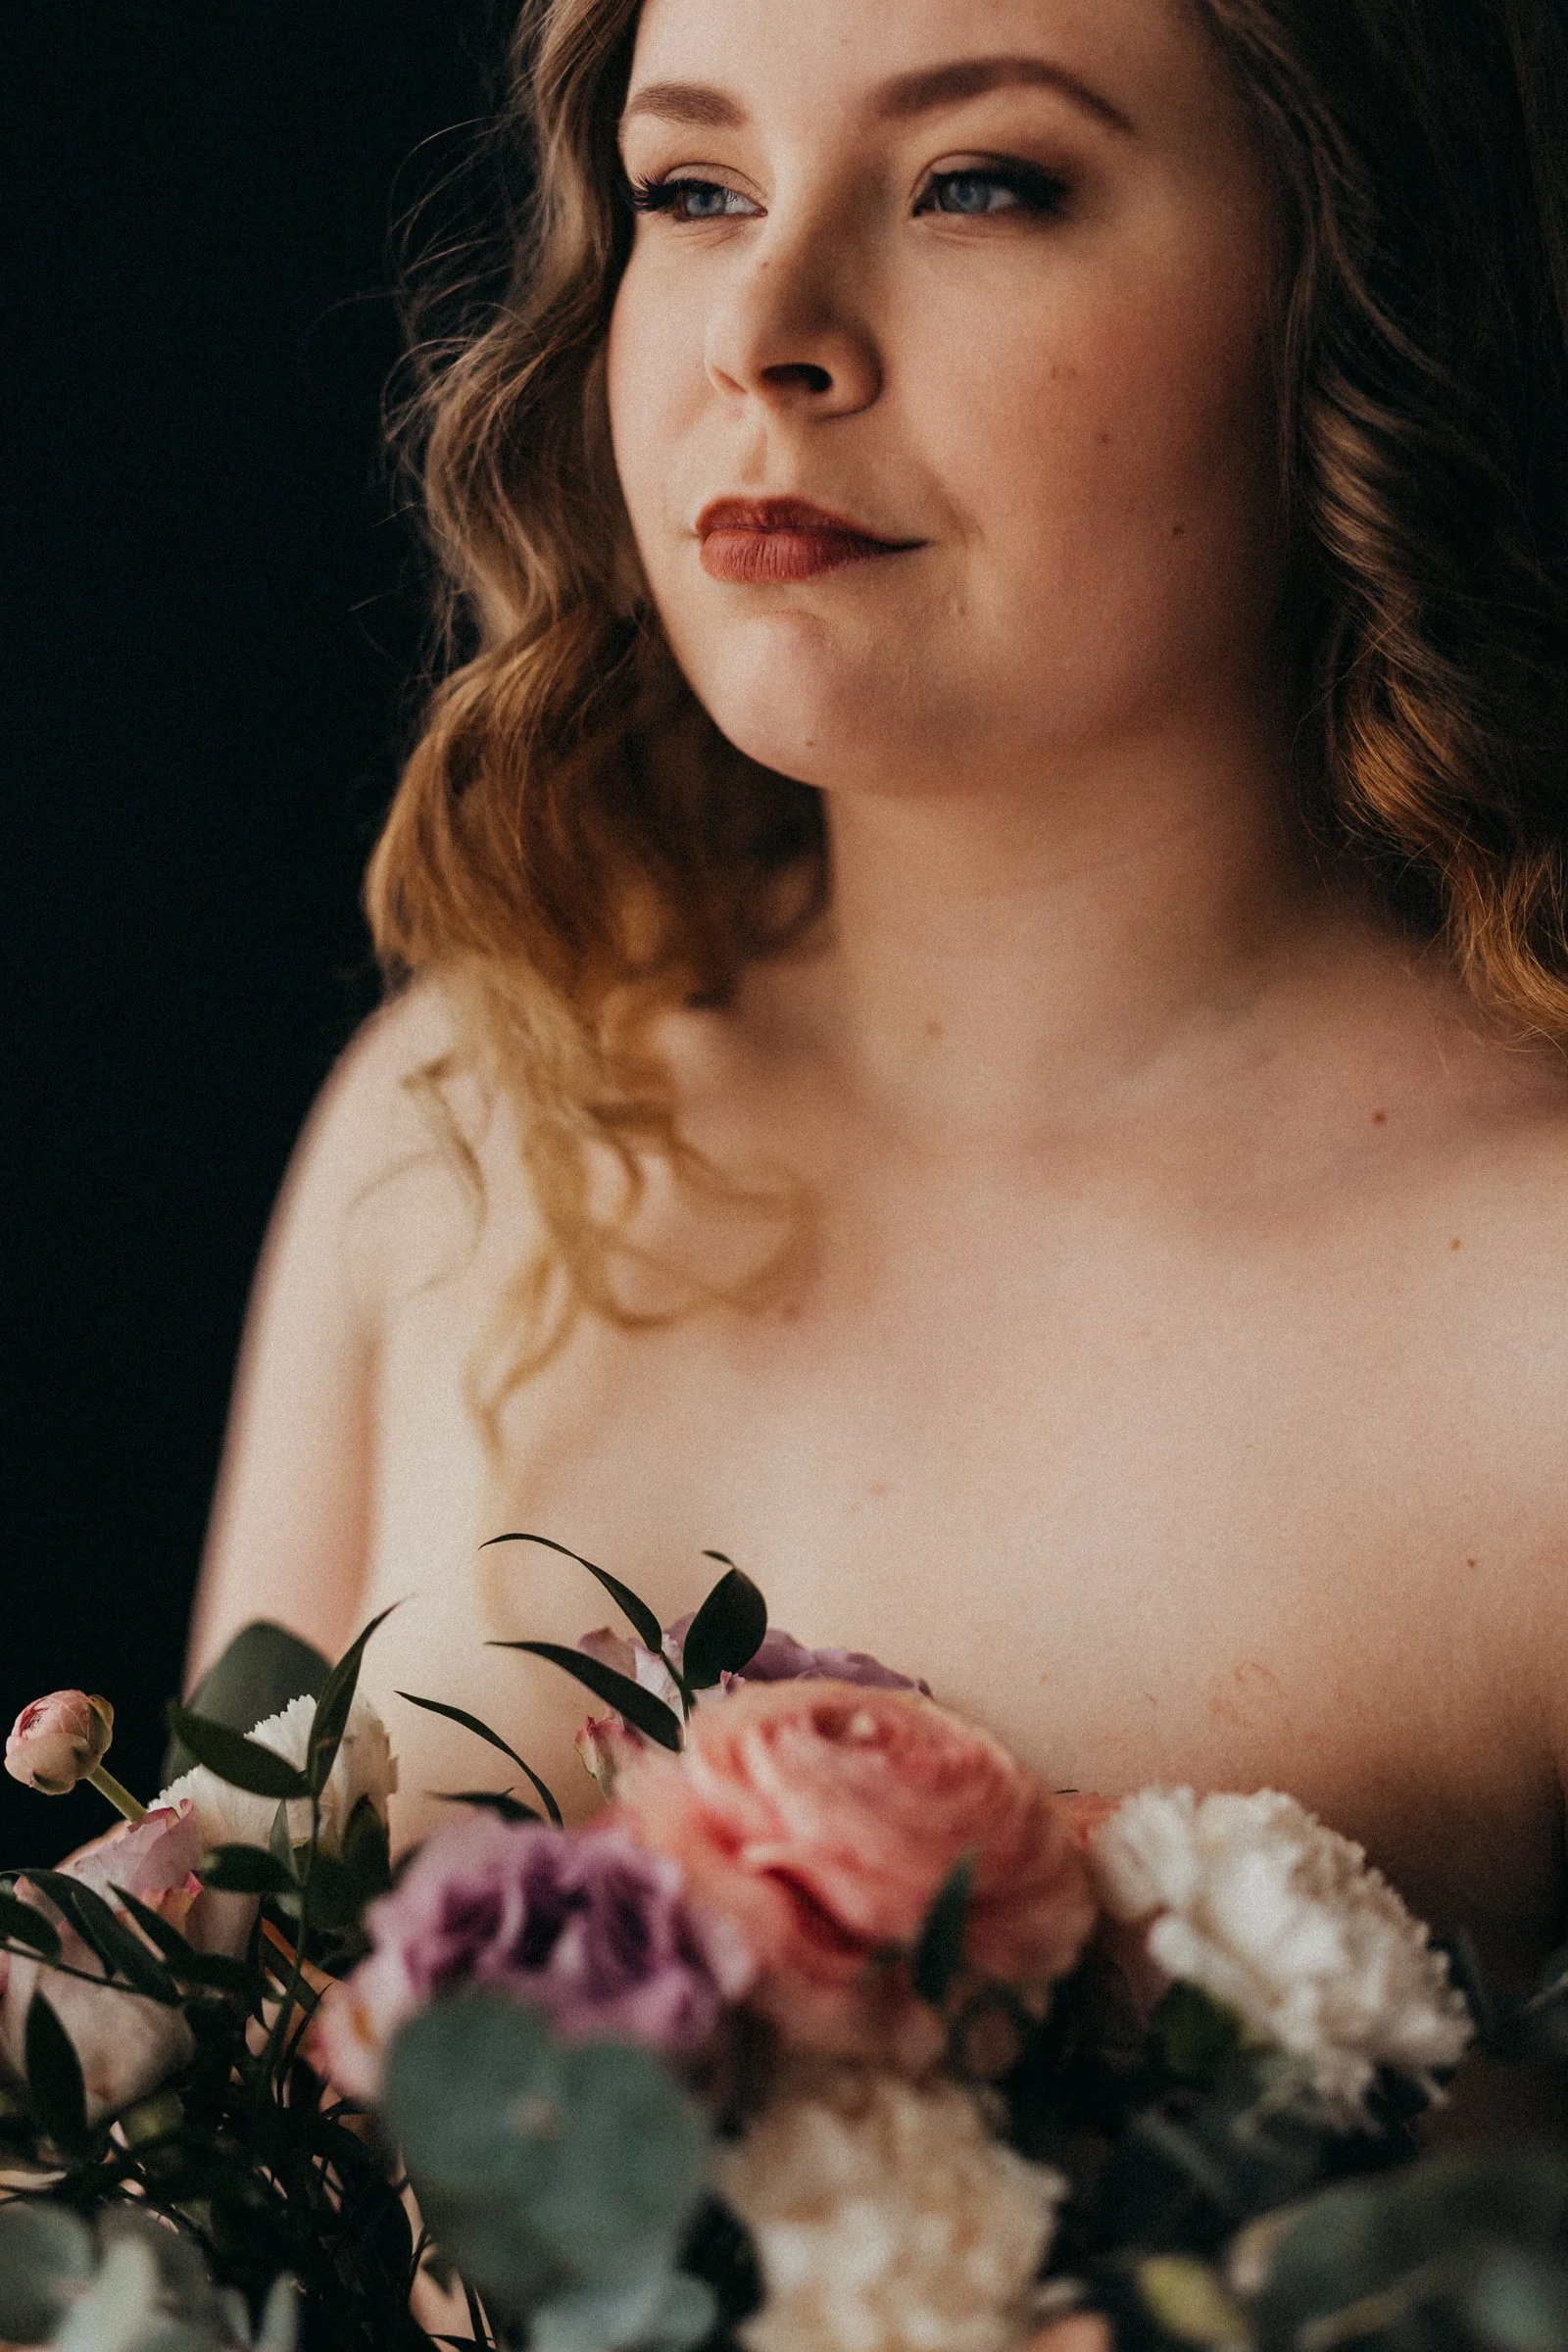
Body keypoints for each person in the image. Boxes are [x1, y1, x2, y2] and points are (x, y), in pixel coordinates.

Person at [190, 0, 1568, 2035]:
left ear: (1343, 278)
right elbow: (142, 2153)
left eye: (976, 184)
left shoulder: (1528, 1307)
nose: (768, 327)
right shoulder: (458, 1135)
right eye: (694, 187)